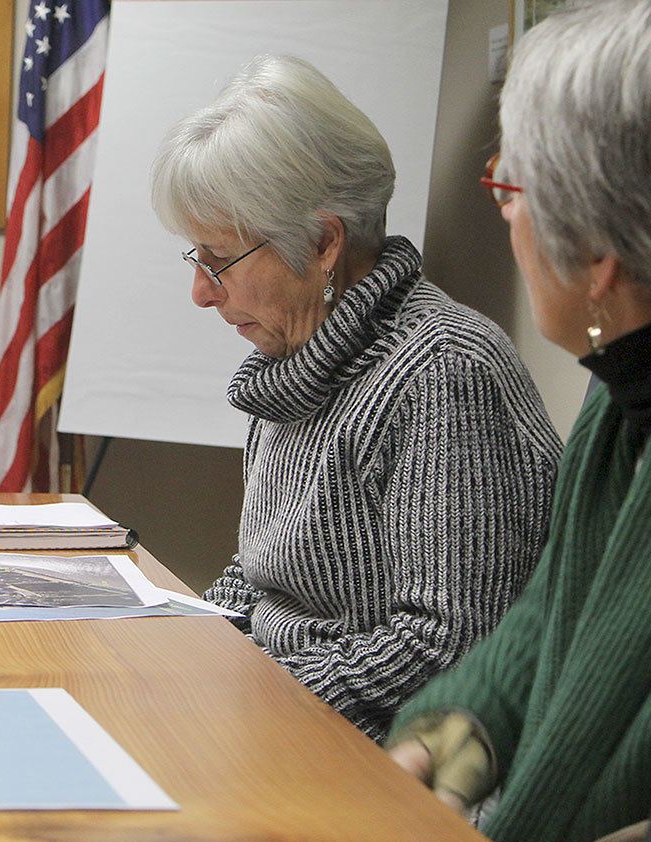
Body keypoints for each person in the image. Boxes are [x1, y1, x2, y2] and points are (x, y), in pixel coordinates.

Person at [387, 0, 651, 842]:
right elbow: (566, 605)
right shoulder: (628, 387)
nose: (501, 206)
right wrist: (465, 722)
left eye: (511, 184)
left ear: (600, 257)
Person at [149, 54, 562, 742]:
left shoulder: (442, 373)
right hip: (283, 721)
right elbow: (262, 575)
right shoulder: (292, 363)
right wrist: (190, 652)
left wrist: (243, 695)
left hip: (382, 759)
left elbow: (447, 645)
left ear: (321, 243)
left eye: (217, 259)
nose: (201, 292)